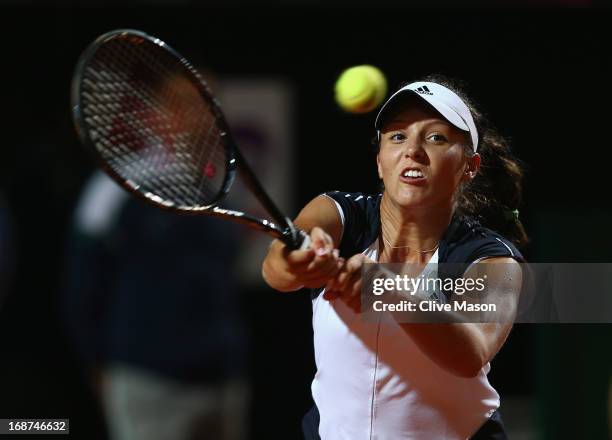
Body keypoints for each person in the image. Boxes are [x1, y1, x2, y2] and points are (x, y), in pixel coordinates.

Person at [262, 75, 527, 439]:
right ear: (379, 162)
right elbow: (276, 271)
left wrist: (388, 290)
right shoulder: (340, 214)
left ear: (470, 166)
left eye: (436, 138)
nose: (413, 150)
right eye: (397, 136)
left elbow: (470, 352)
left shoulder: (492, 259)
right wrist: (299, 261)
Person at [62, 171, 250, 440]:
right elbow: (82, 283)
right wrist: (94, 361)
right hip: (147, 380)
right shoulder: (113, 186)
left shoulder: (220, 183)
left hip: (223, 379)